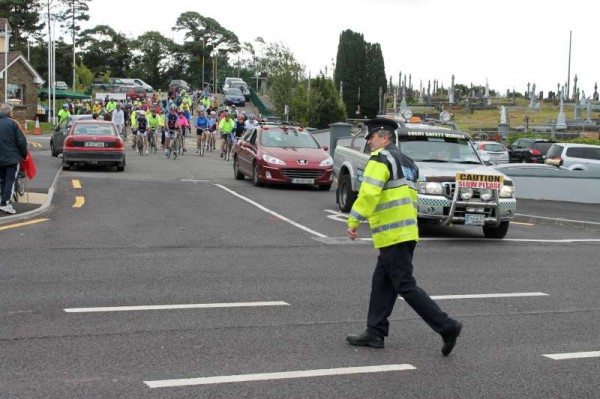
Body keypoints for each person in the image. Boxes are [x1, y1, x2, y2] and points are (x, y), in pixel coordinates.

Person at [345, 118, 462, 356]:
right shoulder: (409, 163)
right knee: (382, 284)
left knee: (405, 285)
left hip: (393, 233)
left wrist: (354, 219)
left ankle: (446, 326)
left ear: (385, 137)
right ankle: (375, 332)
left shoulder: (380, 159)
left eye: (372, 137)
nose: (368, 141)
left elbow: (369, 193)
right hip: (405, 232)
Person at [0, 103, 28, 214]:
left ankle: (2, 200)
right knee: (10, 181)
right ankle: (5, 203)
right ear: (9, 113)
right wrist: (24, 154)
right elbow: (21, 141)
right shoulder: (13, 124)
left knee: (2, 180)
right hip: (11, 158)